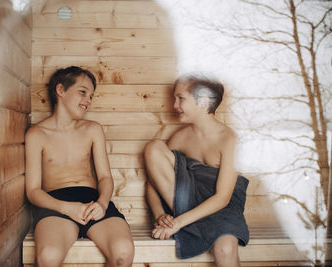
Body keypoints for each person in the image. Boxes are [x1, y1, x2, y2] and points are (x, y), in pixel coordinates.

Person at [25, 66, 134, 267]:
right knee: (48, 256)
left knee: (123, 251)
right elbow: (32, 191)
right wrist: (66, 208)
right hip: (55, 204)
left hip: (92, 201)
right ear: (60, 91)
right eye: (82, 92)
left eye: (91, 96)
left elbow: (105, 178)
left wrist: (101, 204)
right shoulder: (37, 135)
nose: (88, 100)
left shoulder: (92, 130)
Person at [144, 75, 249, 267]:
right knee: (154, 147)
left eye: (180, 98)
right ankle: (189, 222)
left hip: (222, 210)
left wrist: (178, 223)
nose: (174, 104)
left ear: (203, 100)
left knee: (225, 248)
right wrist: (160, 215)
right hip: (187, 204)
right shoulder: (180, 138)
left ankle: (190, 225)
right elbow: (153, 183)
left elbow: (223, 198)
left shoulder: (228, 139)